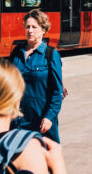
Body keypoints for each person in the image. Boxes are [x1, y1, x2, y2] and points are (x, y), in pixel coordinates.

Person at [11, 9, 64, 141]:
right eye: (27, 27)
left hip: (41, 122)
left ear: (43, 30)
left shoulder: (51, 55)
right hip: (18, 121)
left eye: (34, 27)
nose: (30, 30)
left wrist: (49, 117)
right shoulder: (17, 52)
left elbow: (58, 92)